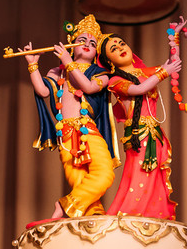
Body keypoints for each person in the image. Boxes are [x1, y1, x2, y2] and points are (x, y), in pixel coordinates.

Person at [23, 14, 119, 220]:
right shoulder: (58, 72)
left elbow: (87, 87)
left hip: (88, 131)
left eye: (93, 43)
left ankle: (65, 204)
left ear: (96, 53)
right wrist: (32, 65)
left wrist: (68, 62)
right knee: (79, 180)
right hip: (65, 136)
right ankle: (94, 214)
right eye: (82, 40)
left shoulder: (101, 74)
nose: (87, 44)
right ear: (71, 43)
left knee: (104, 173)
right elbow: (43, 91)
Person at [89, 23, 183, 220]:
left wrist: (173, 39)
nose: (121, 48)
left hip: (155, 133)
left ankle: (153, 217)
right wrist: (163, 72)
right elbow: (139, 90)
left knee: (155, 176)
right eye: (113, 49)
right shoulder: (115, 81)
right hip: (137, 134)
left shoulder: (145, 73)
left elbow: (174, 64)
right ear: (109, 61)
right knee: (139, 175)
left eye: (122, 44)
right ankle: (127, 215)